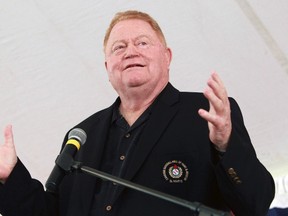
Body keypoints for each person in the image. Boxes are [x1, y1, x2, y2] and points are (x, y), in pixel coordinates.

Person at [0, 10, 274, 216]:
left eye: (142, 43)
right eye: (119, 47)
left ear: (167, 57)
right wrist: (10, 177)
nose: (130, 51)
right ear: (108, 66)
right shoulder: (81, 134)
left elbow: (255, 203)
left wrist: (226, 146)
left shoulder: (205, 114)